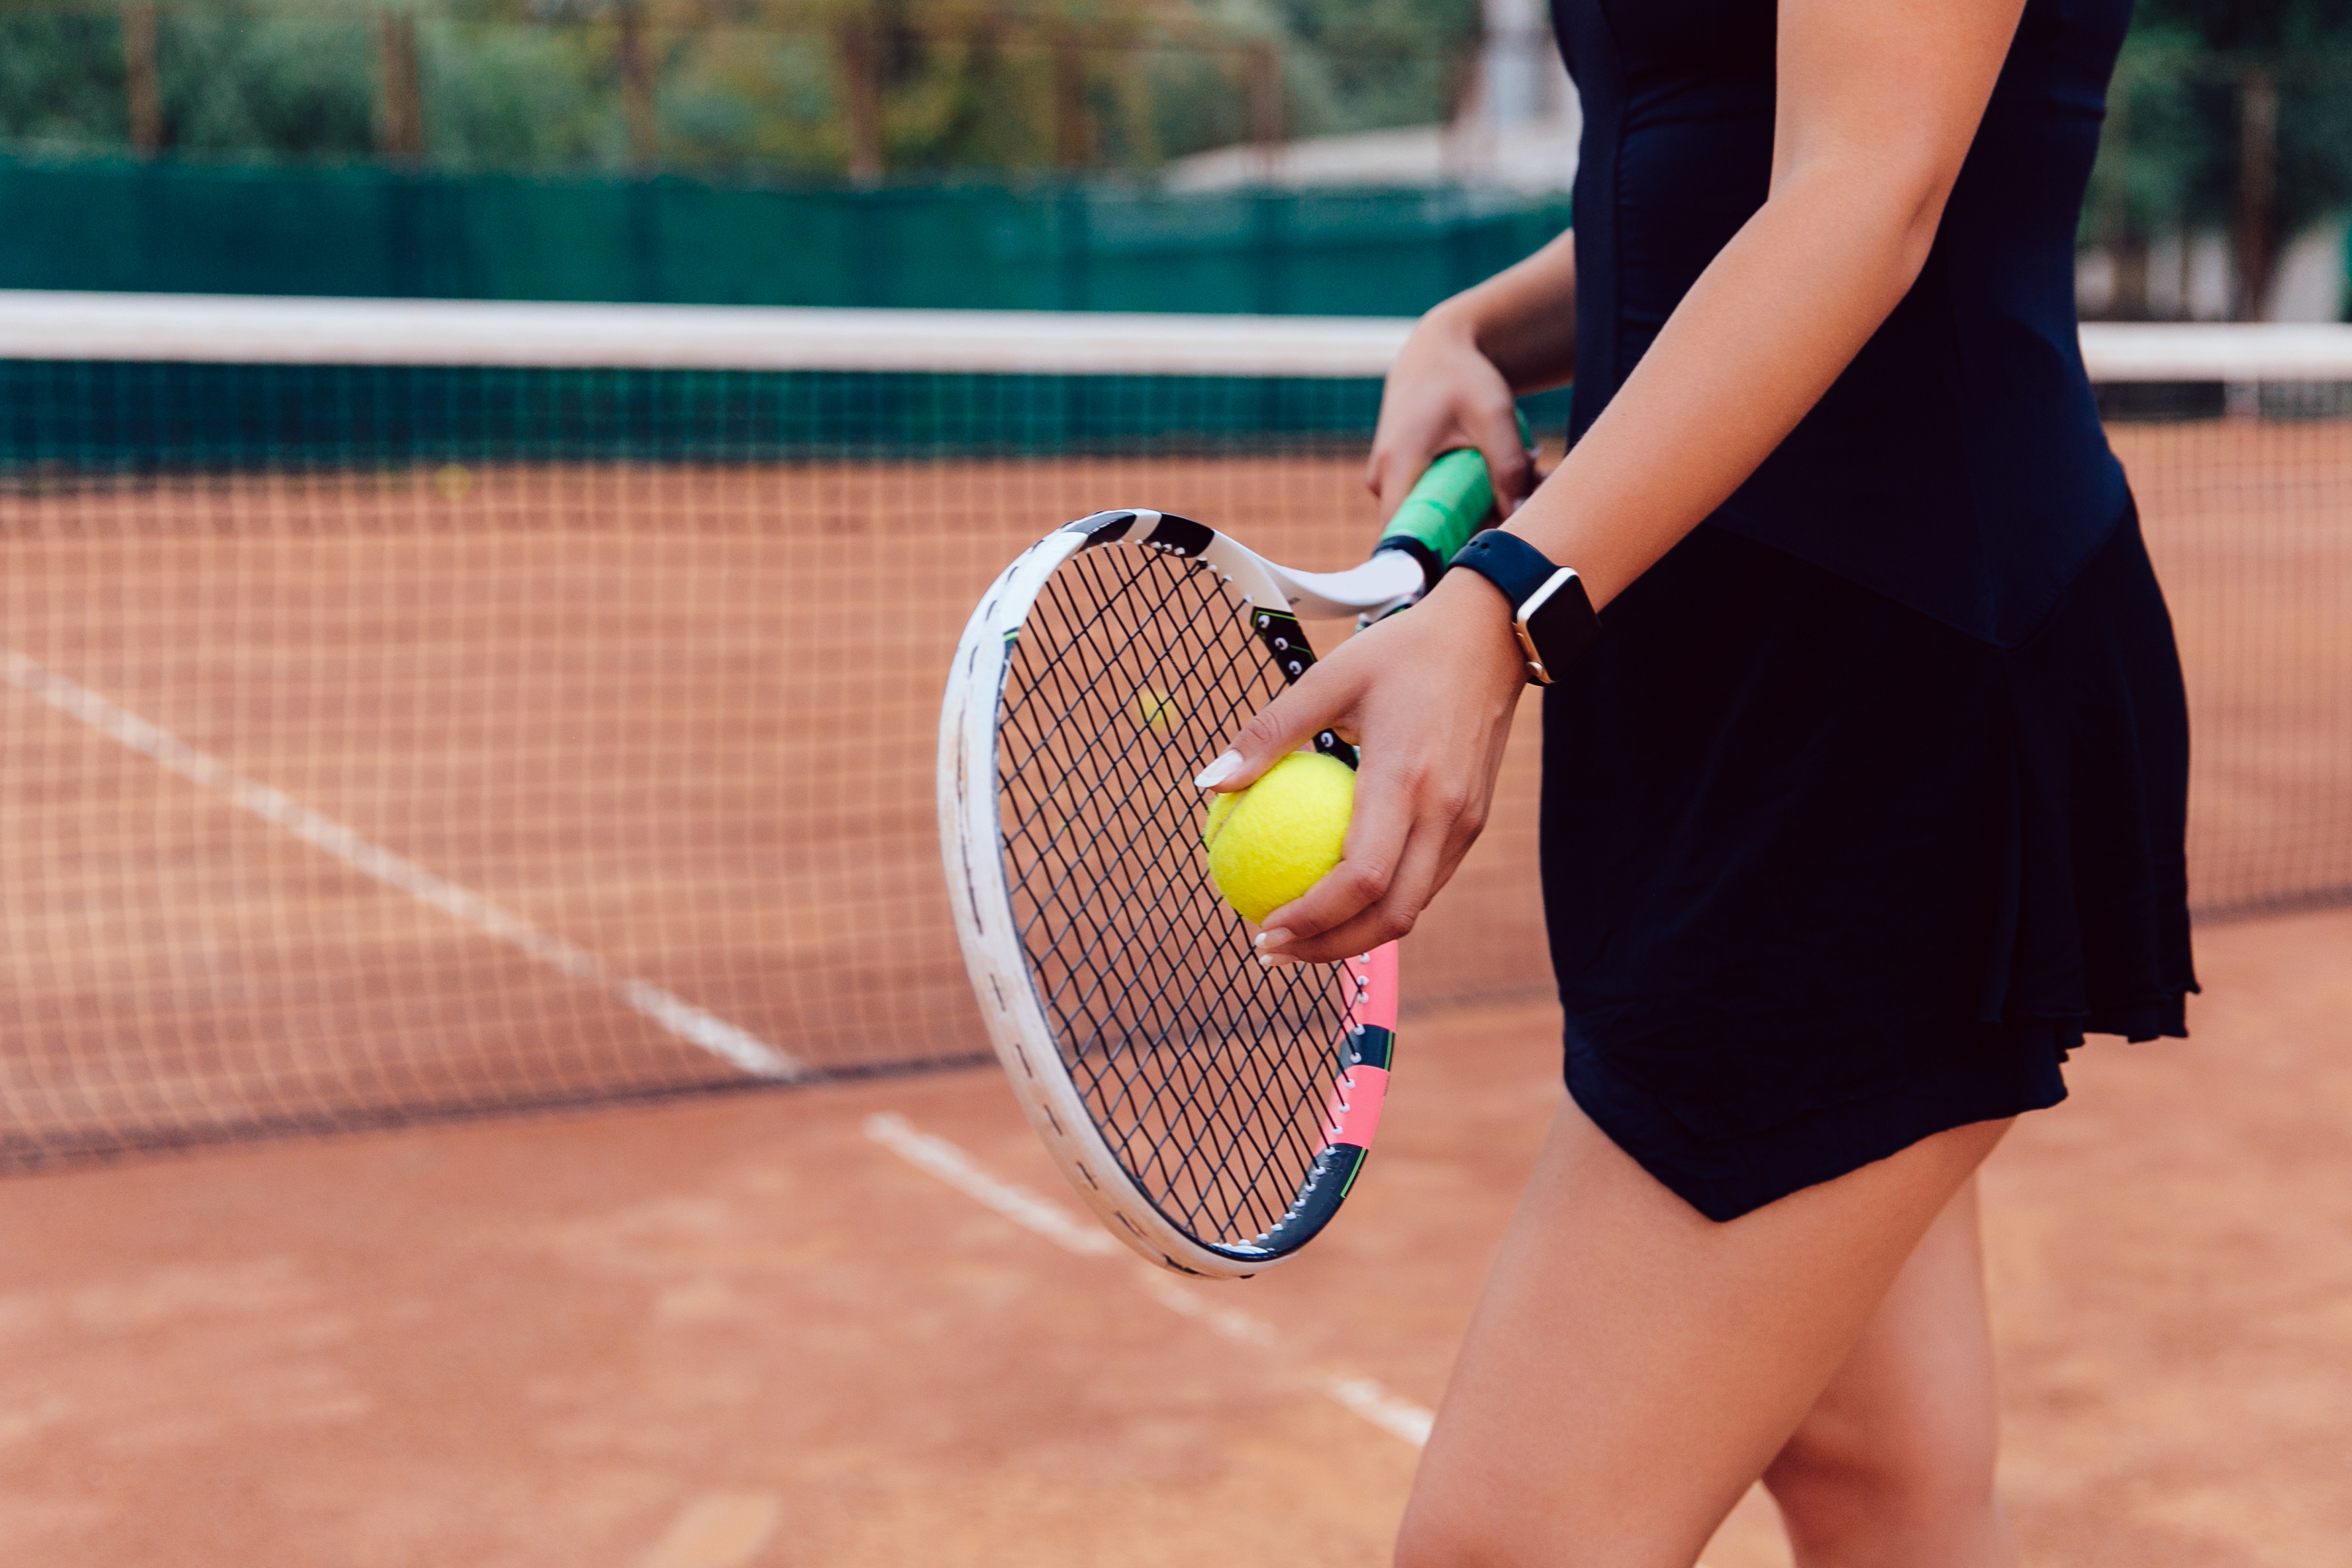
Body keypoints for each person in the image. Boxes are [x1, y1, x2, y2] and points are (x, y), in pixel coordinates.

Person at [1190, 0, 2197, 1560]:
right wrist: (1468, 327)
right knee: (1881, 1482)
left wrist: (1505, 597)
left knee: (1512, 1545)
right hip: (1694, 665)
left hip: (1884, 688)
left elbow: (1870, 186)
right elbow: (1710, 149)